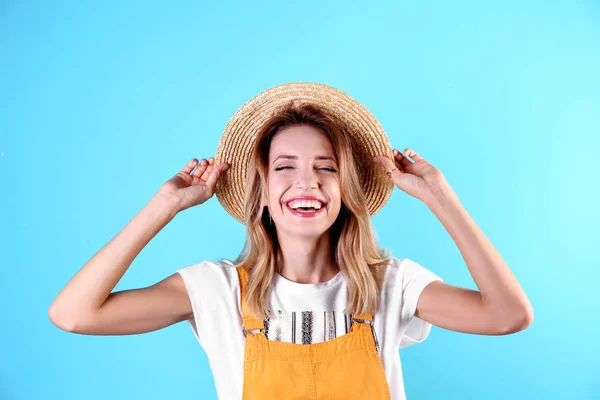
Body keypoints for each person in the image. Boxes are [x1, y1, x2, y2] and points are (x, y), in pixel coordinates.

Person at [48, 82, 534, 400]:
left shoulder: (392, 286)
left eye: (327, 168)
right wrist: (163, 206)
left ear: (346, 191)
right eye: (285, 167)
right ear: (260, 191)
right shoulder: (216, 292)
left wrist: (441, 197)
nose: (307, 183)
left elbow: (508, 315)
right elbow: (74, 314)